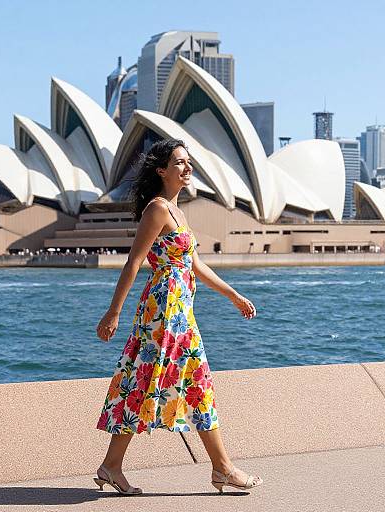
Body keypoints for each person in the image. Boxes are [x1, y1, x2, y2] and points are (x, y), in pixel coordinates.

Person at [95, 139, 263, 495]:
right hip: (163, 312)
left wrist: (234, 296)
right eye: (180, 163)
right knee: (183, 382)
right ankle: (223, 468)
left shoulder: (178, 212)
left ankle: (112, 466)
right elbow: (134, 262)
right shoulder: (157, 209)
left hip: (179, 310)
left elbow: (196, 265)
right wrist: (113, 312)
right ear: (162, 171)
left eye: (189, 163)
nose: (188, 168)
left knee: (150, 381)